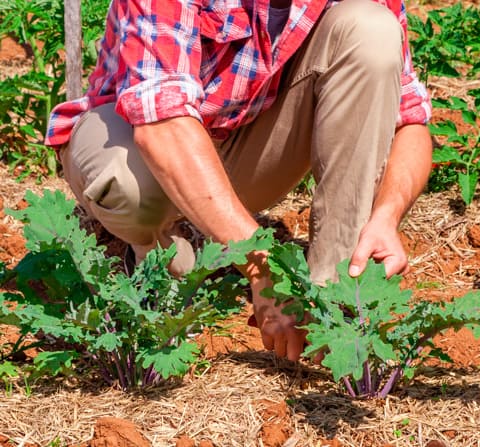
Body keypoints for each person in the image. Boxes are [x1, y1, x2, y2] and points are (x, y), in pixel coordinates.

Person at [45, 0, 433, 362]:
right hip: (138, 146)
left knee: (372, 31)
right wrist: (264, 269)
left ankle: (330, 300)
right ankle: (160, 261)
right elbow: (161, 126)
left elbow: (410, 121)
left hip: (246, 150)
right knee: (124, 185)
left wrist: (387, 213)